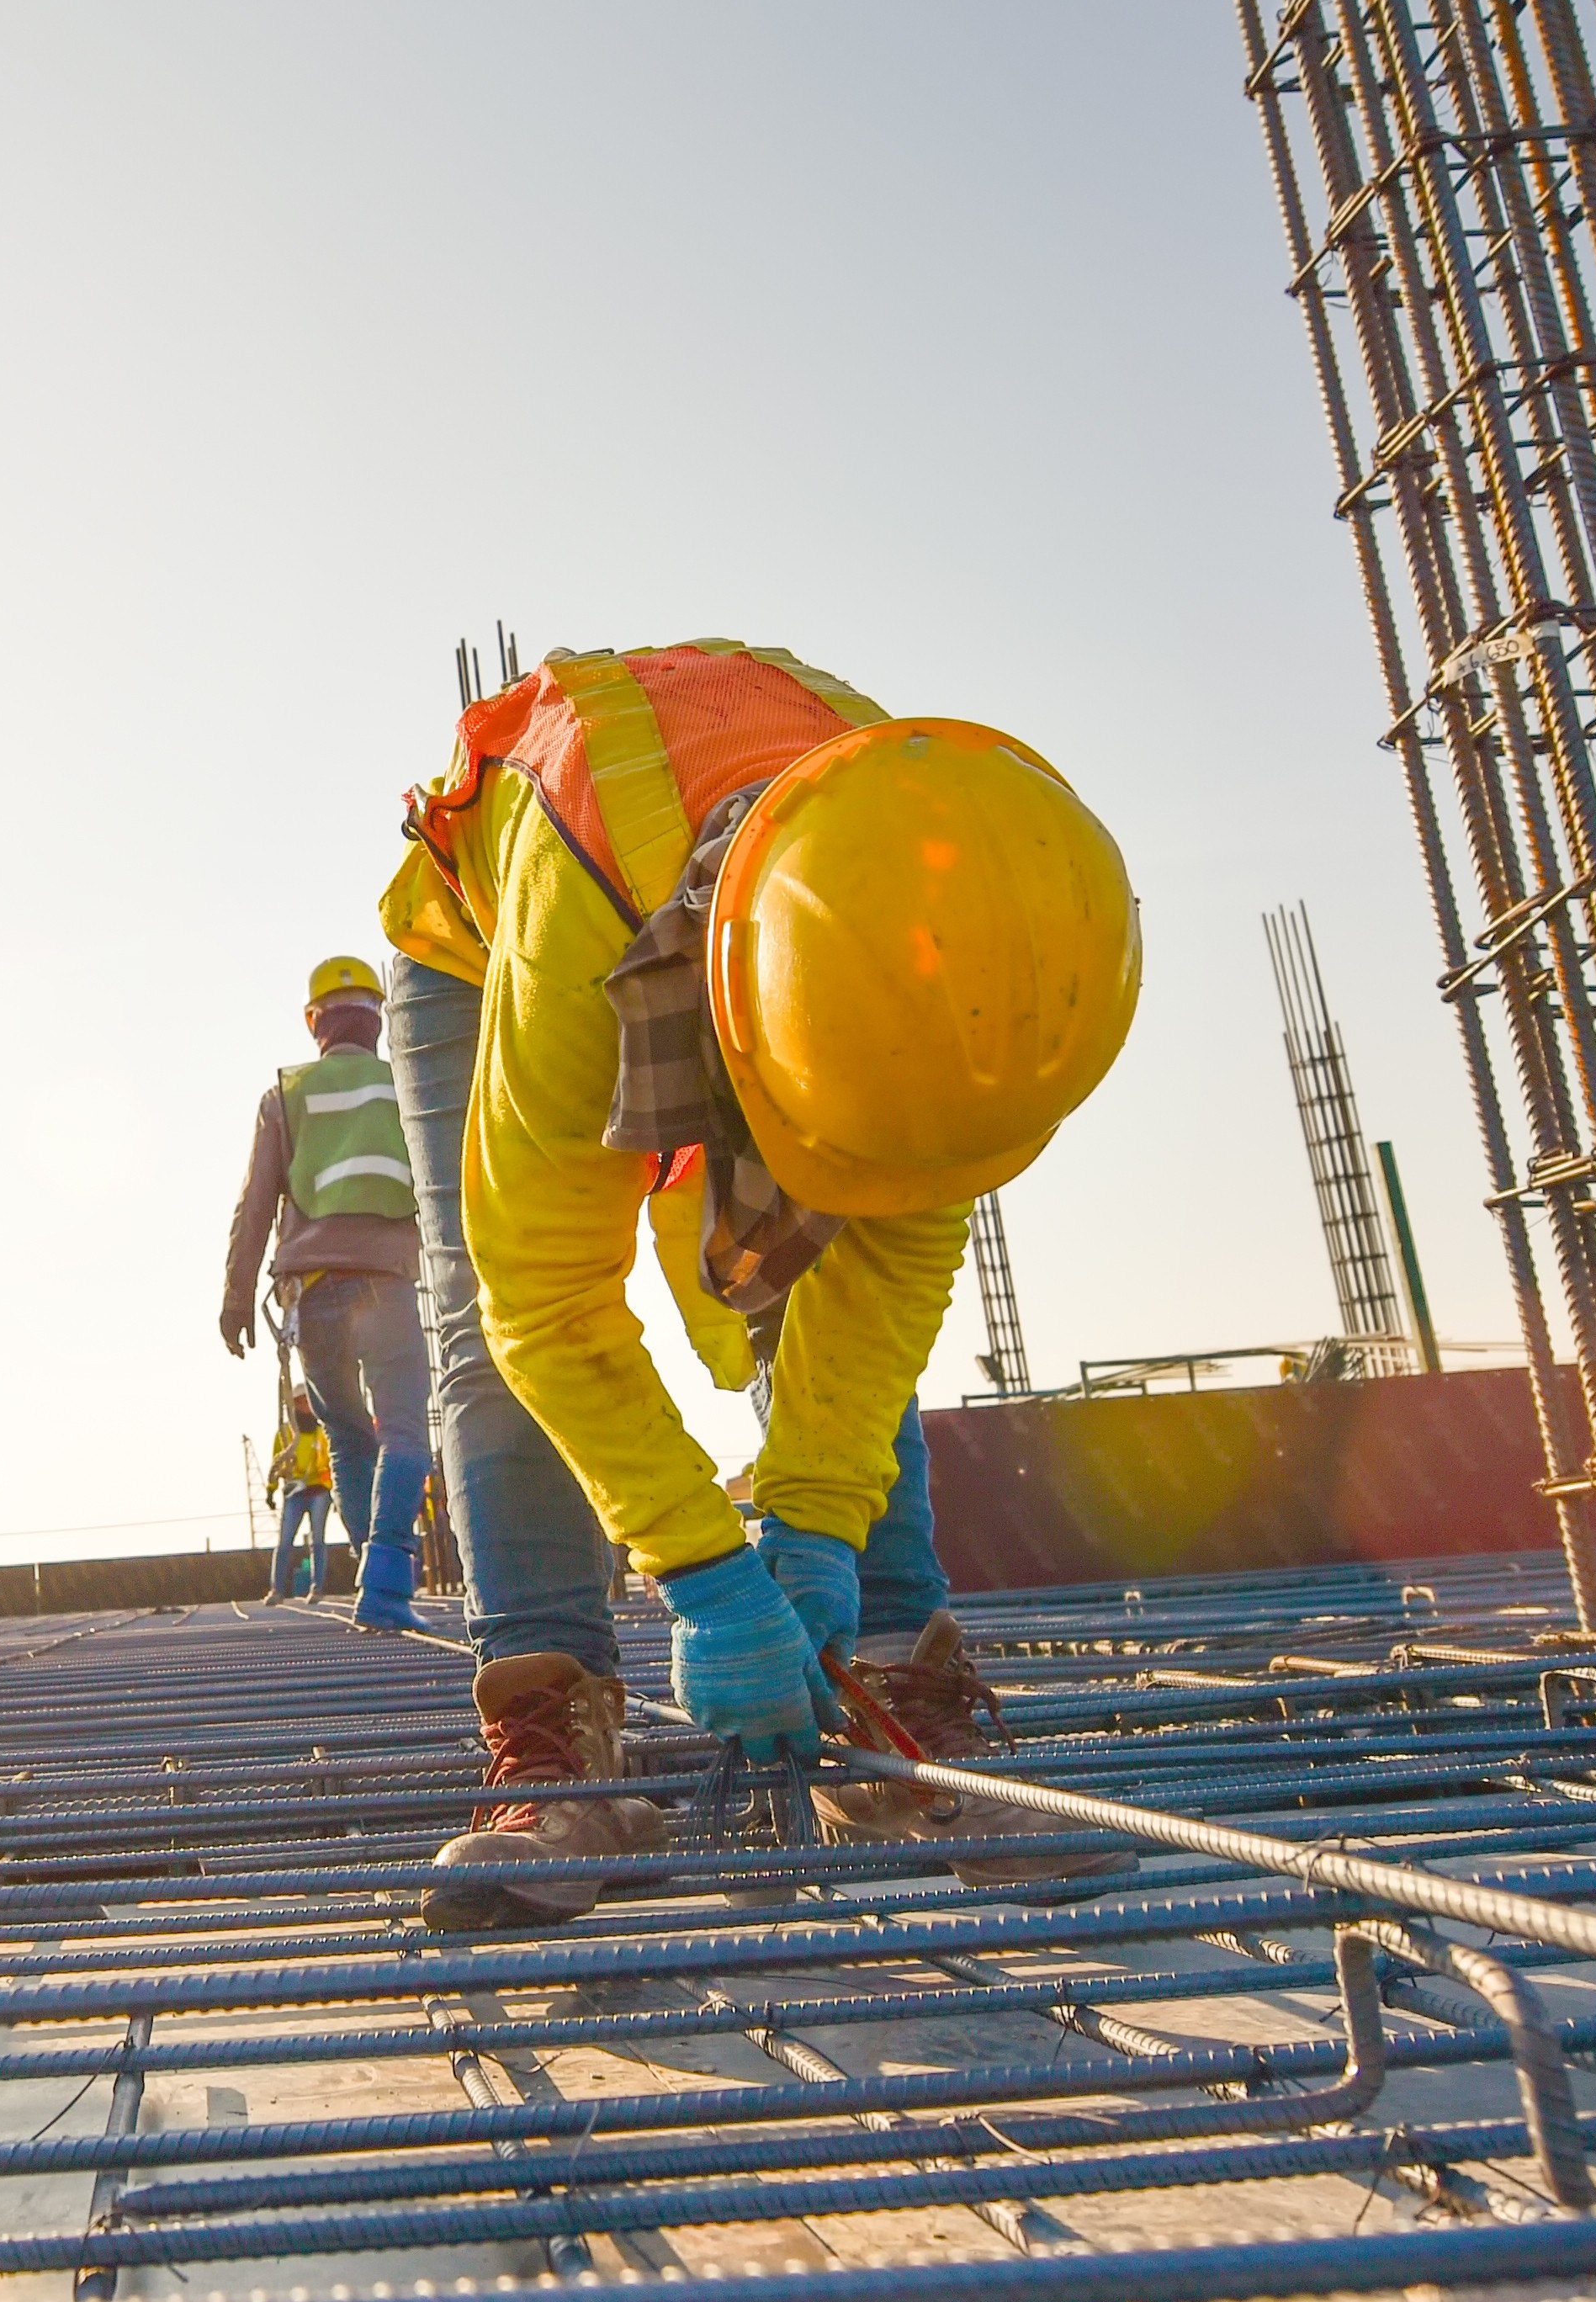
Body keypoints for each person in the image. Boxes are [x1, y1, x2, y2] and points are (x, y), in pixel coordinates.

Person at [374, 644, 1141, 1928]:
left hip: (772, 911)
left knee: (834, 1246)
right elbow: (546, 1300)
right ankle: (560, 1743)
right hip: (502, 933)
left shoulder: (966, 923)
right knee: (476, 1309)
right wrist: (709, 1575)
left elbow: (887, 1278)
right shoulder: (582, 931)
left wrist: (818, 1529)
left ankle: (889, 1693)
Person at [219, 955, 432, 1632]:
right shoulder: (407, 1088)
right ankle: (388, 1584)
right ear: (378, 1020)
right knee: (402, 1430)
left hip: (312, 1294)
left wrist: (234, 1296)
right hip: (390, 1287)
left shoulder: (287, 1094)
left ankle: (376, 1576)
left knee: (347, 1436)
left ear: (314, 1023)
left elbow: (254, 1207)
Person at [266, 1393, 337, 1599]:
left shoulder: (323, 1431)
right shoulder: (284, 1433)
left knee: (317, 1541)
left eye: (307, 1401)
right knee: (285, 1542)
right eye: (299, 1401)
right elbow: (276, 1462)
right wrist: (270, 1489)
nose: (304, 1405)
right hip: (294, 1492)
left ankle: (317, 1588)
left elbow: (331, 1461)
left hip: (319, 1490)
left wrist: (334, 1490)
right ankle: (276, 1589)